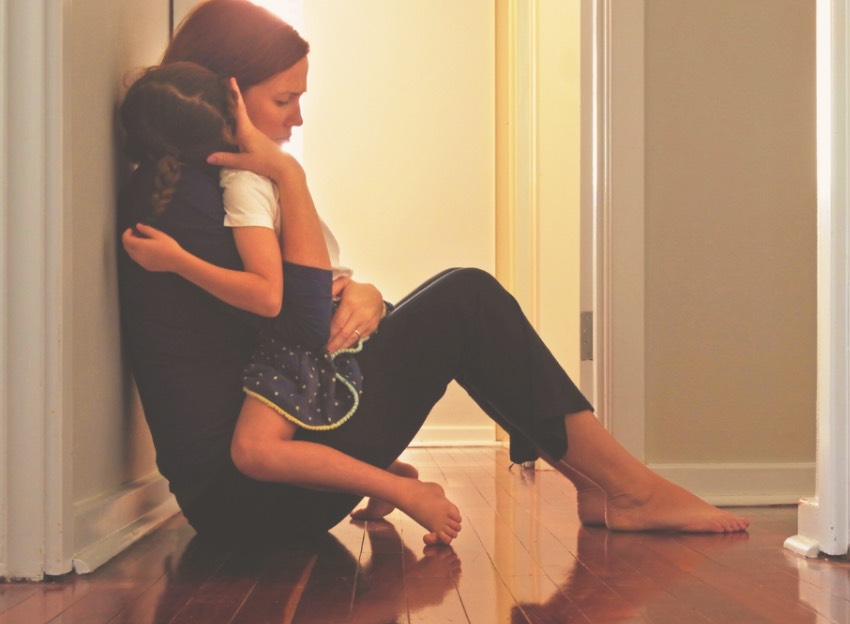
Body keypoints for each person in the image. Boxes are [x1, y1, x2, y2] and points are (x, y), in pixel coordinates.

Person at [117, 0, 749, 545]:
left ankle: (608, 484)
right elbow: (300, 320)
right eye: (285, 99)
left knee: (457, 299)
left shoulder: (191, 182)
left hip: (246, 489)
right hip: (252, 497)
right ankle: (624, 490)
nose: (297, 118)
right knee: (468, 299)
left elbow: (286, 313)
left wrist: (359, 292)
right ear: (228, 92)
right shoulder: (203, 191)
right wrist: (291, 176)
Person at [118, 62, 463, 544]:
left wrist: (178, 262)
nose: (290, 118)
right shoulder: (231, 185)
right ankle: (395, 479)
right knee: (263, 445)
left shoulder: (246, 181)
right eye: (283, 100)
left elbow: (271, 295)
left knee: (256, 448)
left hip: (303, 341)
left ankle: (401, 488)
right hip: (304, 339)